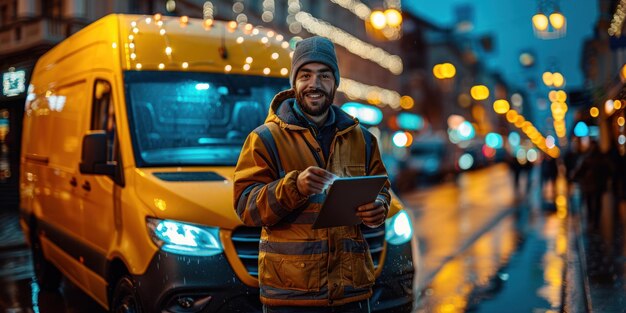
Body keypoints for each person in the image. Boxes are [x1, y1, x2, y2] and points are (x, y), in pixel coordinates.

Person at [233, 36, 390, 313]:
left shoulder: (363, 139)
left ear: (335, 82)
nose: (314, 85)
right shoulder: (264, 139)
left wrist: (379, 207)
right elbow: (246, 207)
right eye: (305, 75)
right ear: (294, 82)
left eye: (324, 75)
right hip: (291, 298)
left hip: (351, 293)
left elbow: (382, 188)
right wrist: (295, 187)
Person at [571, 140, 611, 230]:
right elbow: (609, 170)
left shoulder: (587, 158)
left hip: (588, 185)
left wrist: (573, 177)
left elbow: (580, 170)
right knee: (597, 203)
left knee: (589, 203)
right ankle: (595, 221)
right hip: (599, 185)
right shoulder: (602, 158)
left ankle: (591, 220)